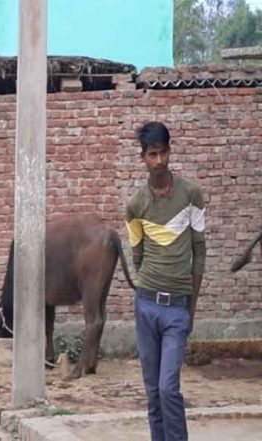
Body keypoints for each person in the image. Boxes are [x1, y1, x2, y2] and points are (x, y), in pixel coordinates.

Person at [126, 122, 206, 441]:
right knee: (152, 393)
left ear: (170, 152)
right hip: (146, 305)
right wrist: (149, 285)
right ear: (143, 157)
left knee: (168, 388)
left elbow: (199, 251)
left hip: (177, 309)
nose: (159, 160)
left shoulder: (191, 195)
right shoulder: (135, 206)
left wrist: (191, 307)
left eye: (163, 152)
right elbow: (137, 255)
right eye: (152, 154)